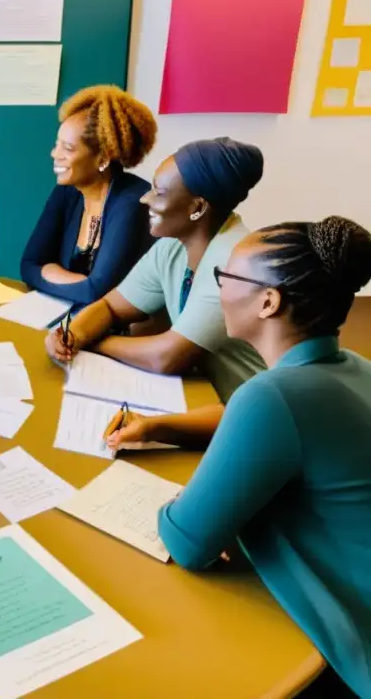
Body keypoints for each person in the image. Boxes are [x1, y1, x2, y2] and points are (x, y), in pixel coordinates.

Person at [117, 216, 371, 699]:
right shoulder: (354, 366)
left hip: (344, 648)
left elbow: (188, 542)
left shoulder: (273, 396)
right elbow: (263, 420)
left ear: (269, 302)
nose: (217, 288)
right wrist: (159, 426)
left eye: (225, 277)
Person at [46, 137, 267, 403]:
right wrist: (74, 333)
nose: (144, 199)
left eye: (159, 192)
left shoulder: (233, 262)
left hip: (250, 409)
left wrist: (90, 343)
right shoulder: (172, 246)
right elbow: (111, 307)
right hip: (206, 397)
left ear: (197, 208)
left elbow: (166, 357)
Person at [21, 86, 157, 307]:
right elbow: (28, 266)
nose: (55, 154)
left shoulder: (133, 202)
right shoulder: (67, 191)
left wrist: (51, 271)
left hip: (119, 332)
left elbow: (98, 291)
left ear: (102, 159)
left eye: (68, 148)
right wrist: (80, 283)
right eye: (57, 144)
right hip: (64, 316)